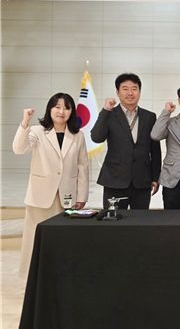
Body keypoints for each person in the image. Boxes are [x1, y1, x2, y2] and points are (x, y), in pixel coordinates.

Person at [13, 93, 89, 276]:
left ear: (72, 112)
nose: (61, 111)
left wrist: (82, 196)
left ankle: (59, 276)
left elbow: (83, 166)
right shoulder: (37, 131)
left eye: (66, 108)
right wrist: (25, 122)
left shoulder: (78, 135)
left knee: (63, 240)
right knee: (34, 239)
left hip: (67, 198)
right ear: (50, 109)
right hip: (40, 196)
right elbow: (19, 149)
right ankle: (32, 276)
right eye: (57, 107)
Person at [91, 73, 161, 210]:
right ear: (117, 92)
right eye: (125, 89)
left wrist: (155, 177)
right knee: (113, 220)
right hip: (114, 180)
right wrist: (105, 110)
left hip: (142, 181)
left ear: (139, 92)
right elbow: (96, 137)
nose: (130, 93)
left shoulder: (149, 117)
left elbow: (155, 150)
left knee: (140, 220)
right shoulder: (109, 114)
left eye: (134, 89)